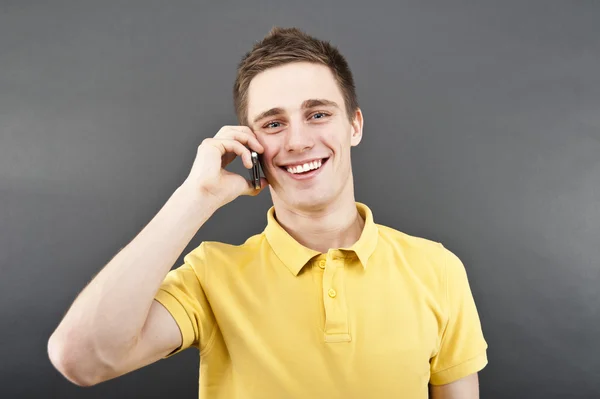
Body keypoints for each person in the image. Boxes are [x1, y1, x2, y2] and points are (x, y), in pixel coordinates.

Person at [48, 27, 488, 398]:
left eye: (317, 114)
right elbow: (81, 359)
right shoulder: (210, 275)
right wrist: (195, 196)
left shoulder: (438, 269)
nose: (297, 141)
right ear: (251, 143)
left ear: (354, 125)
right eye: (274, 124)